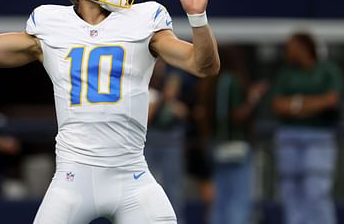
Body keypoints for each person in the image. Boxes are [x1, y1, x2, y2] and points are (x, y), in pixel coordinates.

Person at [0, 0, 220, 223]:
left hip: (131, 176)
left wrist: (198, 19)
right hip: (73, 178)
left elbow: (203, 66)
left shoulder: (145, 20)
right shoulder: (51, 23)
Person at [271, 32, 342, 224]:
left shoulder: (327, 70)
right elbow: (277, 105)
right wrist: (312, 105)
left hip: (319, 137)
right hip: (288, 137)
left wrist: (295, 105)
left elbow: (331, 100)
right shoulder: (286, 73)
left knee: (316, 190)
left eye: (291, 46)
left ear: (304, 47)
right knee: (290, 191)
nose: (287, 50)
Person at [195, 45, 268, 224]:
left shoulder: (212, 82)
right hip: (236, 146)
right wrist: (253, 99)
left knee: (220, 200)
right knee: (239, 201)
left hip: (216, 146)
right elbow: (237, 115)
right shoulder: (232, 81)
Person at [146, 66, 190, 223]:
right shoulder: (144, 76)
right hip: (149, 141)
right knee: (149, 187)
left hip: (171, 142)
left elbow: (184, 111)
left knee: (174, 189)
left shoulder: (174, 73)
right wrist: (162, 99)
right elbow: (148, 117)